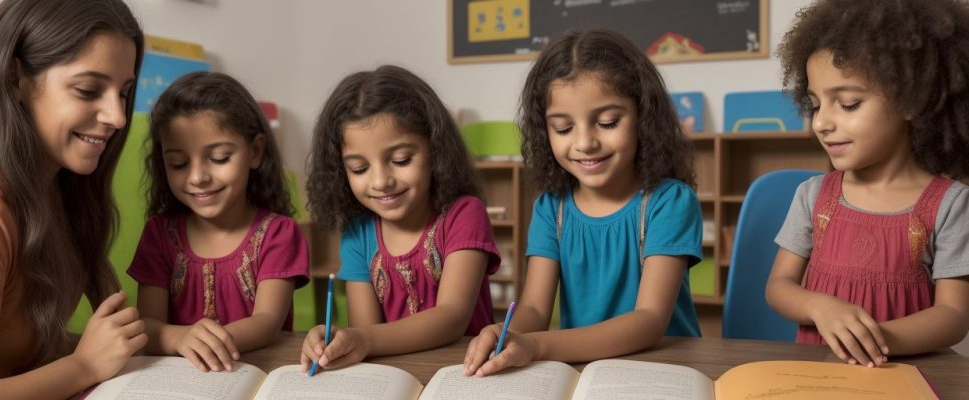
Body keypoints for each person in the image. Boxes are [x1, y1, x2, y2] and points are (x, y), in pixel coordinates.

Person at [463, 29, 703, 377]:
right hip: (584, 371)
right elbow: (534, 309)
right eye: (563, 128)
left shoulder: (669, 202)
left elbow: (649, 321)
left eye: (607, 122)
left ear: (643, 117)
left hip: (664, 371)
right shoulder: (551, 208)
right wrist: (506, 333)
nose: (585, 142)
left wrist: (537, 345)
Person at [767, 0, 969, 368]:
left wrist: (873, 340)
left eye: (847, 104)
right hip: (820, 373)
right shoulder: (813, 196)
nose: (820, 123)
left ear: (911, 100)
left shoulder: (950, 204)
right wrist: (819, 306)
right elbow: (779, 287)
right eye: (816, 104)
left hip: (903, 375)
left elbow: (953, 315)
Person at [0, 0, 148, 397]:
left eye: (123, 93)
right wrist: (83, 366)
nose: (118, 117)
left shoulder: (58, 185)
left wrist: (164, 338)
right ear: (14, 78)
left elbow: (27, 353)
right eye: (88, 90)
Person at [300, 65, 500, 371]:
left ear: (435, 150)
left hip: (465, 374)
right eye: (359, 169)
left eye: (400, 160)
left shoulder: (464, 214)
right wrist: (339, 340)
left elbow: (452, 318)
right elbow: (365, 330)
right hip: (395, 378)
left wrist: (362, 338)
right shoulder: (358, 234)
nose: (381, 181)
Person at [129, 72, 309, 372]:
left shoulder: (278, 233)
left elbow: (267, 322)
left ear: (255, 152)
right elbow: (149, 324)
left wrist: (207, 343)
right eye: (178, 163)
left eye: (219, 158)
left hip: (255, 375)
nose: (197, 177)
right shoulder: (159, 234)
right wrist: (179, 337)